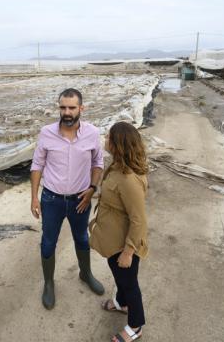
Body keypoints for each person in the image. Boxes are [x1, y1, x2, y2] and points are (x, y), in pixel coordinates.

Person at [30, 88, 105, 310]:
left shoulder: (92, 133)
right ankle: (49, 283)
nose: (67, 112)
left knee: (82, 238)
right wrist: (34, 197)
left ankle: (86, 273)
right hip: (51, 200)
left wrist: (92, 188)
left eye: (72, 107)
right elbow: (37, 165)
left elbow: (97, 163)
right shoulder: (46, 133)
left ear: (81, 108)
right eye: (63, 107)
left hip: (80, 200)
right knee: (48, 242)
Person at [89, 121, 149, 342]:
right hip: (113, 239)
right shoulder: (116, 167)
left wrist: (128, 251)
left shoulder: (128, 180)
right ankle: (121, 303)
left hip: (124, 243)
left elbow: (139, 219)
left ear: (117, 144)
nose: (105, 140)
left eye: (108, 137)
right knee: (120, 277)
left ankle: (136, 325)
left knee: (129, 283)